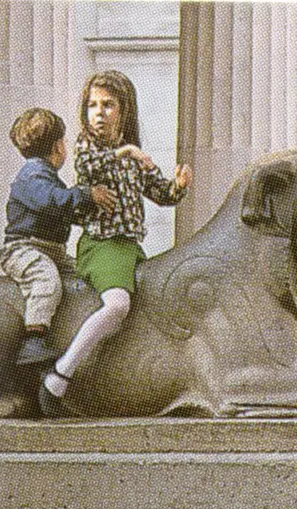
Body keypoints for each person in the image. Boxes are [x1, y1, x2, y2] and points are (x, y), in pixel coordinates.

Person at [38, 70, 192, 416]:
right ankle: (61, 374)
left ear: (124, 111)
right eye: (93, 105)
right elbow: (88, 165)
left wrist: (178, 186)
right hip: (102, 244)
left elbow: (160, 193)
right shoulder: (87, 148)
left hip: (130, 248)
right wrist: (127, 152)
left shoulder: (133, 158)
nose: (99, 112)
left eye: (108, 105)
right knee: (117, 306)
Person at [0, 108, 116, 366]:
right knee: (46, 280)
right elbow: (53, 202)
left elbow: (62, 209)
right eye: (63, 142)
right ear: (56, 147)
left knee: (82, 274)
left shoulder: (47, 177)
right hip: (24, 248)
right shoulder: (32, 176)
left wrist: (89, 213)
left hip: (51, 249)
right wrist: (86, 194)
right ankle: (34, 339)